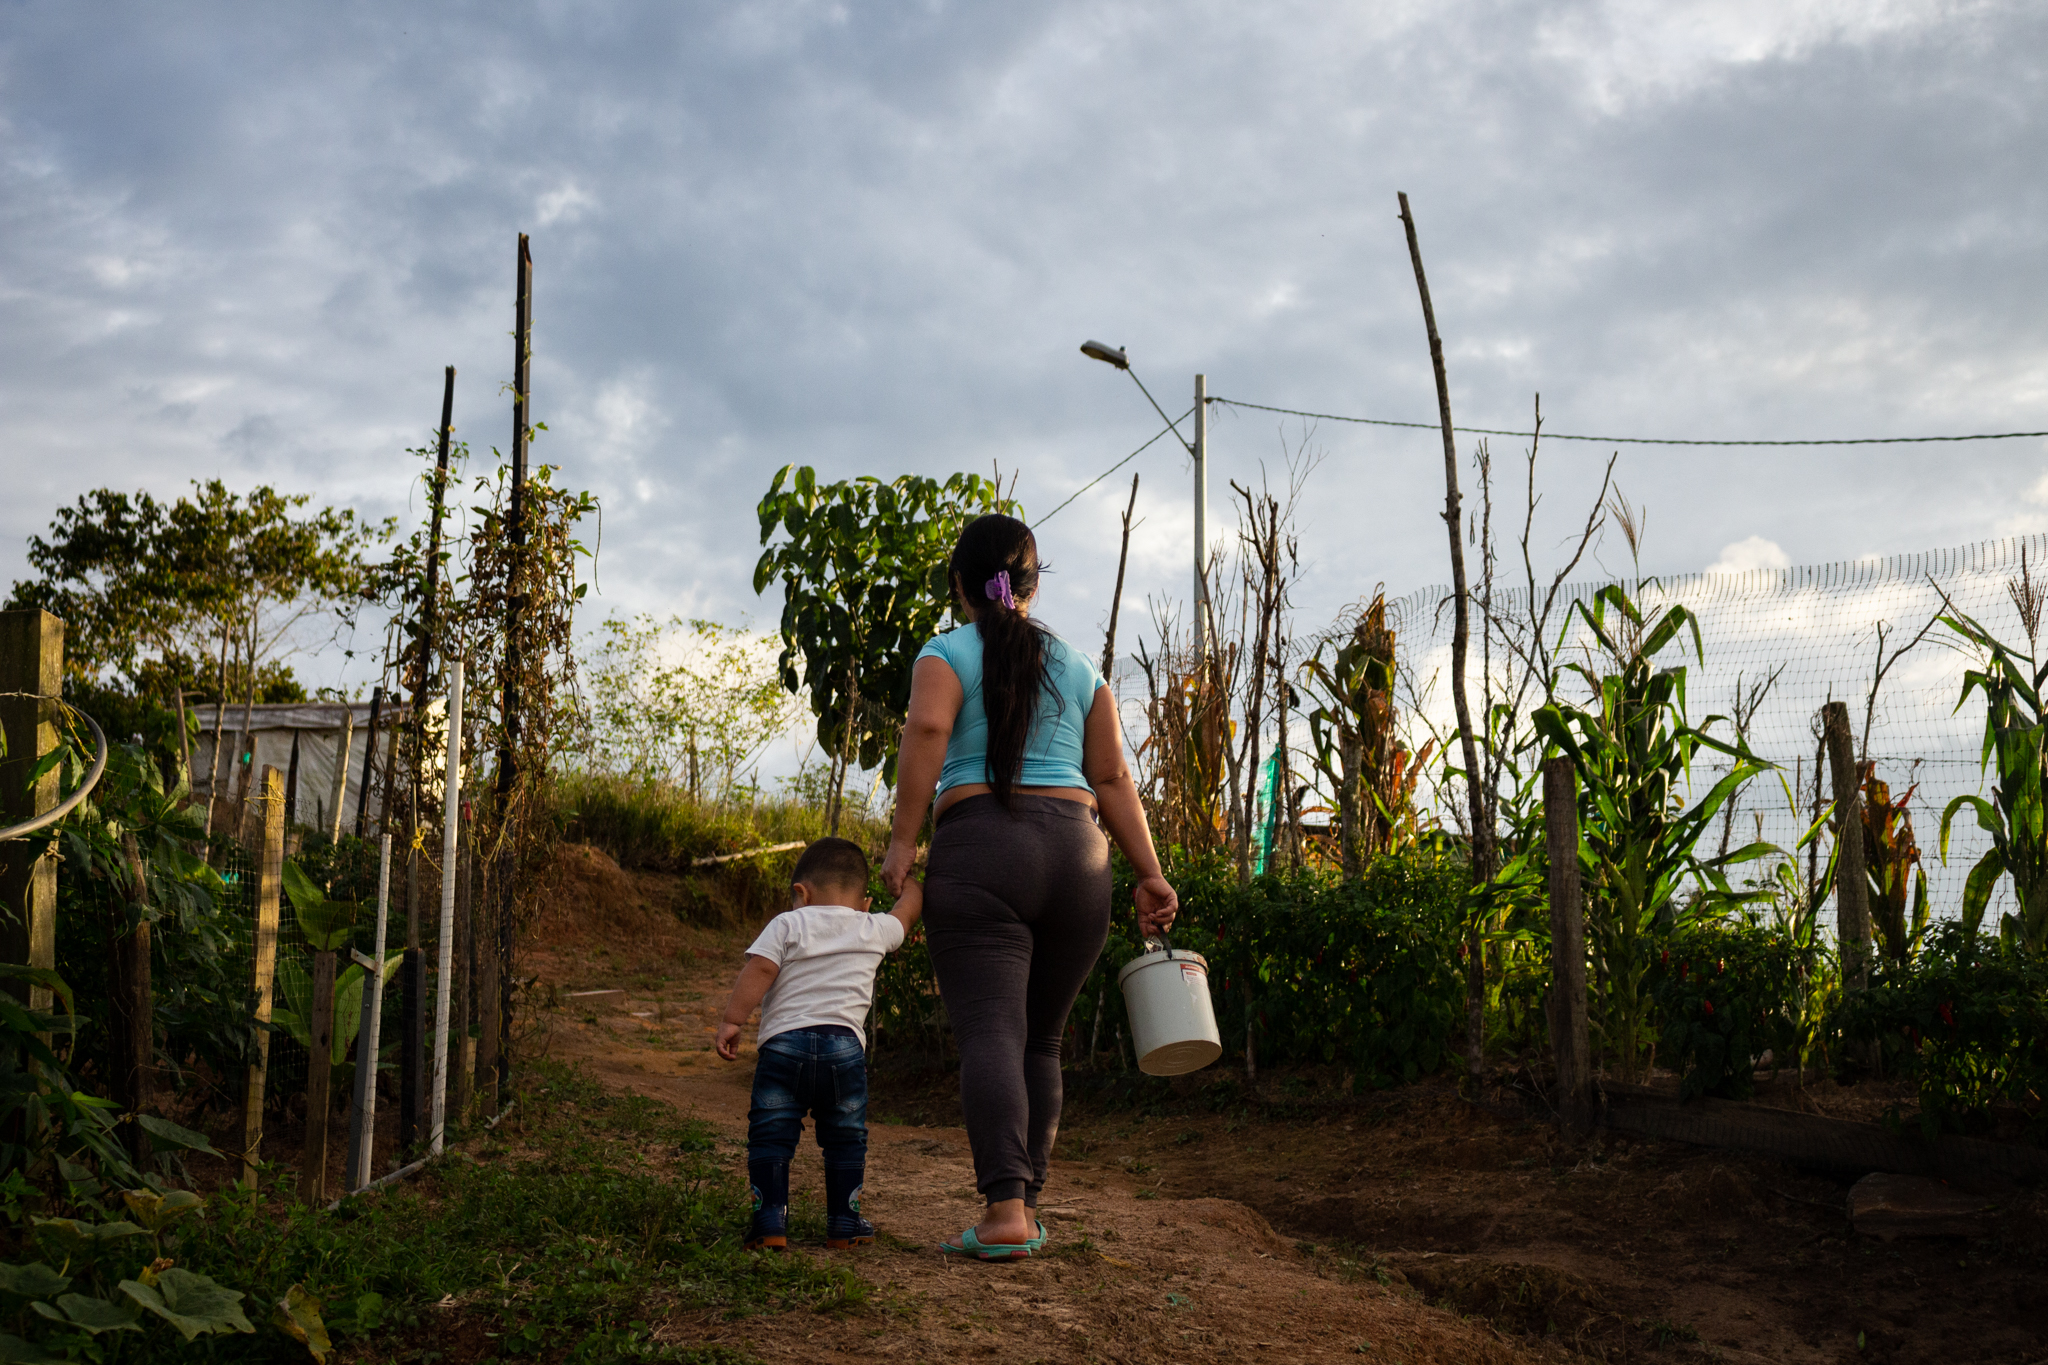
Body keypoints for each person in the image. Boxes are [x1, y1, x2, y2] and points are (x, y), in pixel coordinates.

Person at [880, 512, 1177, 1262]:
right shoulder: (1079, 667)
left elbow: (925, 736)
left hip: (984, 850)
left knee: (992, 1032)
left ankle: (1005, 1209)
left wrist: (902, 844)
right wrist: (1149, 872)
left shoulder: (945, 655)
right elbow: (1110, 776)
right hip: (1082, 858)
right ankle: (1026, 1203)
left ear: (960, 588)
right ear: (1032, 584)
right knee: (1040, 1040)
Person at [715, 837, 923, 1252]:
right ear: (864, 903)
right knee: (845, 1137)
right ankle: (844, 1223)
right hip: (844, 1052)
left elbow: (760, 968)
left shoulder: (788, 923)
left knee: (771, 1134)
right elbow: (906, 915)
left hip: (784, 1048)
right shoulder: (872, 927)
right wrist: (911, 882)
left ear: (800, 893)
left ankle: (770, 1220)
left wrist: (732, 1020)